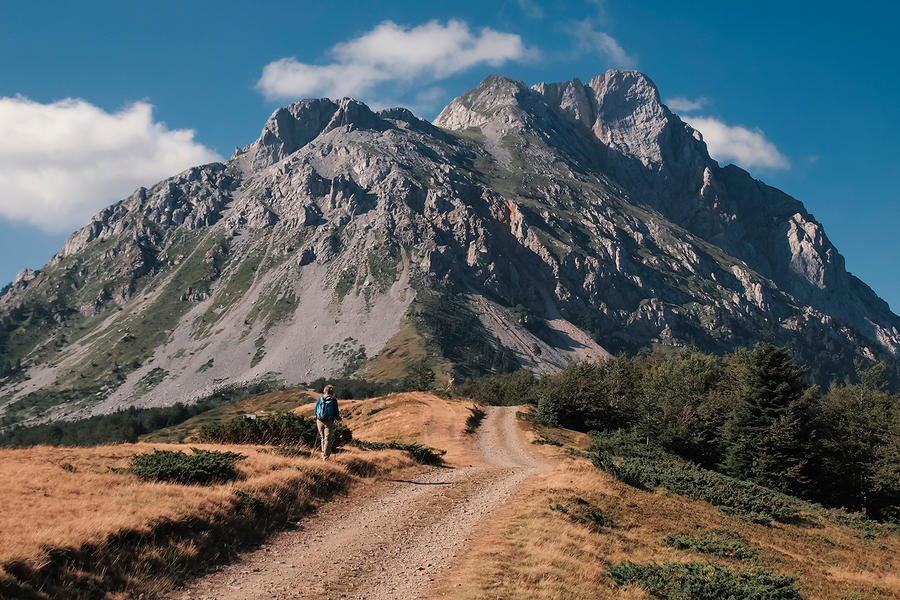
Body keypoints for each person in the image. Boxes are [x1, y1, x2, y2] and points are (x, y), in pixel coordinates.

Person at [314, 384, 341, 460]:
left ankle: (323, 454)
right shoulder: (333, 400)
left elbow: (315, 411)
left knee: (322, 438)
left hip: (319, 421)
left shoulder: (320, 399)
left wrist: (318, 417)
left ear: (324, 391)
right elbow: (336, 412)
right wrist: (337, 418)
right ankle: (325, 457)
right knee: (328, 439)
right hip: (329, 421)